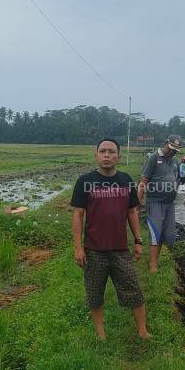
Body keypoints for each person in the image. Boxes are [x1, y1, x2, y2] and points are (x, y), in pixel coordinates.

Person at [71, 138, 150, 340]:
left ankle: (142, 331)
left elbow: (132, 212)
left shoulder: (126, 181)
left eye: (111, 152)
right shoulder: (85, 182)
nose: (107, 155)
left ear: (118, 156)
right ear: (96, 155)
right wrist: (78, 248)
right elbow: (78, 215)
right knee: (95, 294)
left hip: (120, 249)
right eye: (103, 151)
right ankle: (101, 334)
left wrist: (138, 241)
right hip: (94, 250)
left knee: (133, 289)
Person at [138, 135, 182, 273]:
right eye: (171, 149)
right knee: (155, 232)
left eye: (175, 150)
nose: (173, 152)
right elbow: (143, 182)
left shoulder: (174, 162)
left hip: (169, 203)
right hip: (155, 202)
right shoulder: (153, 158)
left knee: (167, 235)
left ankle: (154, 259)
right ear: (165, 144)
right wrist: (137, 203)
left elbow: (176, 179)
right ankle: (152, 265)